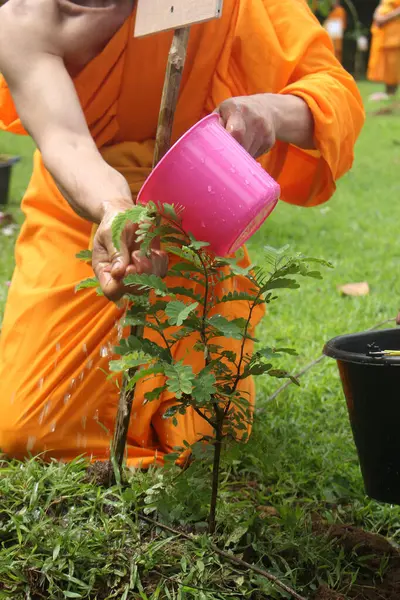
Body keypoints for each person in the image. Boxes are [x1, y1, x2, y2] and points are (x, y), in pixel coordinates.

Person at [0, 0, 364, 467]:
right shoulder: (21, 20)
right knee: (31, 429)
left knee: (206, 431)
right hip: (81, 213)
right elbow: (64, 141)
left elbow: (334, 93)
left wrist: (267, 112)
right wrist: (114, 211)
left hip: (190, 210)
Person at [368, 0, 400, 100]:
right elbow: (378, 16)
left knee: (393, 68)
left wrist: (385, 18)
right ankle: (388, 93)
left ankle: (391, 93)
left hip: (395, 40)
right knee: (387, 68)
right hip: (385, 39)